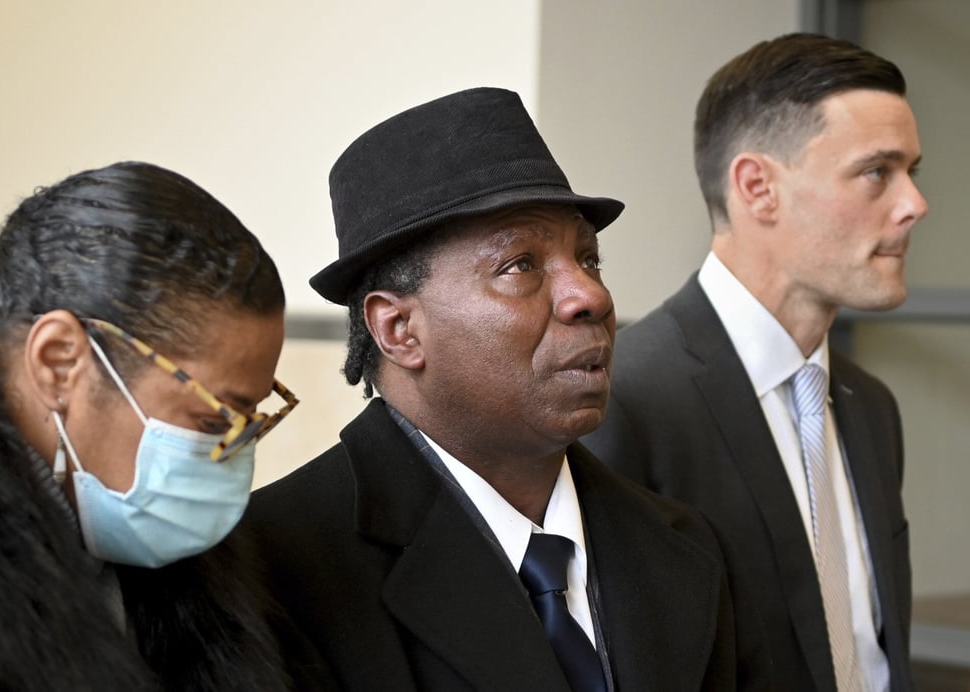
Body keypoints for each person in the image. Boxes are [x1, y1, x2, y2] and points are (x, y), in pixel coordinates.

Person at [243, 87, 770, 691]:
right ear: (399, 329)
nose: (590, 297)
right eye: (521, 264)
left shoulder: (687, 547)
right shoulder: (273, 567)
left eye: (590, 259)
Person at [582, 33, 926, 692]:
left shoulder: (872, 405)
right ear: (757, 187)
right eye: (877, 171)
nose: (914, 203)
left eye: (913, 171)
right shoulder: (625, 399)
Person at [0, 161, 314, 690]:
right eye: (214, 418)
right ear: (59, 362)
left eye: (249, 419)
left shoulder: (171, 568)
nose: (233, 457)